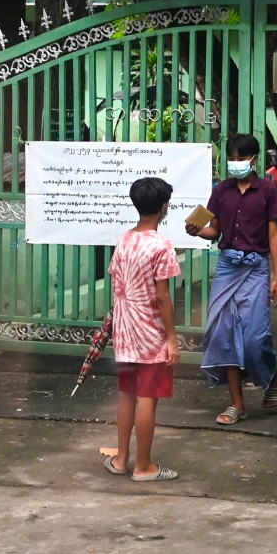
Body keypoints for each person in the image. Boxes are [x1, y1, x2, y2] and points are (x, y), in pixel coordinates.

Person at [186, 132, 277, 424]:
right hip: (228, 266)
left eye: (241, 159)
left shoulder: (268, 191)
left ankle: (272, 377)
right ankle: (237, 404)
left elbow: (274, 235)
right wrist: (195, 230)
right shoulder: (221, 190)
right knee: (223, 335)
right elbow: (211, 229)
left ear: (253, 160)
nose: (235, 163)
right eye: (231, 158)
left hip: (256, 268)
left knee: (255, 337)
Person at [107, 176, 182, 482]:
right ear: (164, 208)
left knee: (127, 393)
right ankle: (144, 465)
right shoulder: (161, 246)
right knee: (147, 397)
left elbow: (118, 282)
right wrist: (173, 338)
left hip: (125, 331)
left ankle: (121, 459)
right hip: (150, 332)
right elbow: (162, 296)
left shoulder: (125, 239)